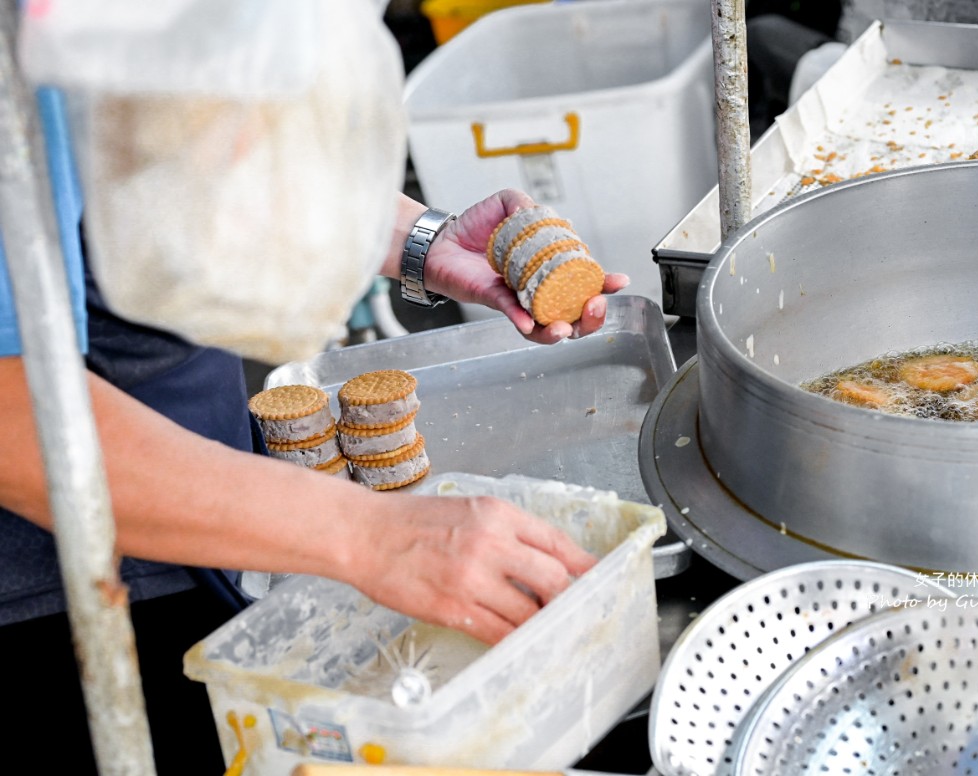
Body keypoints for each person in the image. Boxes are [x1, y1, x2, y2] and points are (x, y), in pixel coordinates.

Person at [0, 86, 630, 772]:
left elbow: (170, 158)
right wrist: (371, 534)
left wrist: (419, 241)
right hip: (56, 607)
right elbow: (13, 421)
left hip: (207, 493)